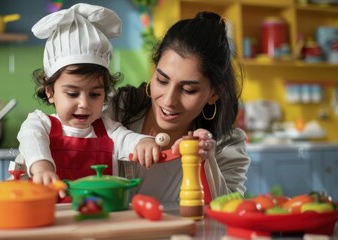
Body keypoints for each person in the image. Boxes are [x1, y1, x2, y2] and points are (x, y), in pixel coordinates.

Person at [107, 11, 250, 211]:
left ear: (214, 94)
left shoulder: (228, 143)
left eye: (188, 90)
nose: (168, 100)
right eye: (162, 80)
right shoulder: (118, 109)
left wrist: (205, 161)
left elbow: (229, 212)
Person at [17, 3, 161, 189]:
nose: (84, 104)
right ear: (50, 91)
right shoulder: (40, 124)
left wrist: (144, 142)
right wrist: (42, 167)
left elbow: (127, 139)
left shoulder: (108, 130)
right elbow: (31, 138)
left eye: (94, 94)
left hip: (100, 215)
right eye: (72, 94)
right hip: (53, 215)